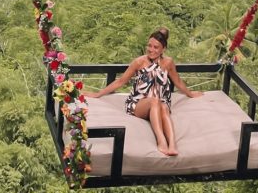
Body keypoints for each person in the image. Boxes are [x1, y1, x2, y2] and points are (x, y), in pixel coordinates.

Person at [83, 27, 202, 156]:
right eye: (149, 46)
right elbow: (120, 81)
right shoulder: (139, 62)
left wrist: (190, 94)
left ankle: (172, 144)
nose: (151, 49)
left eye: (156, 47)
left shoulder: (168, 63)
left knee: (163, 106)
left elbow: (178, 82)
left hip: (161, 103)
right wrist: (97, 94)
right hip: (139, 104)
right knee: (155, 102)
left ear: (163, 49)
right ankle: (161, 141)